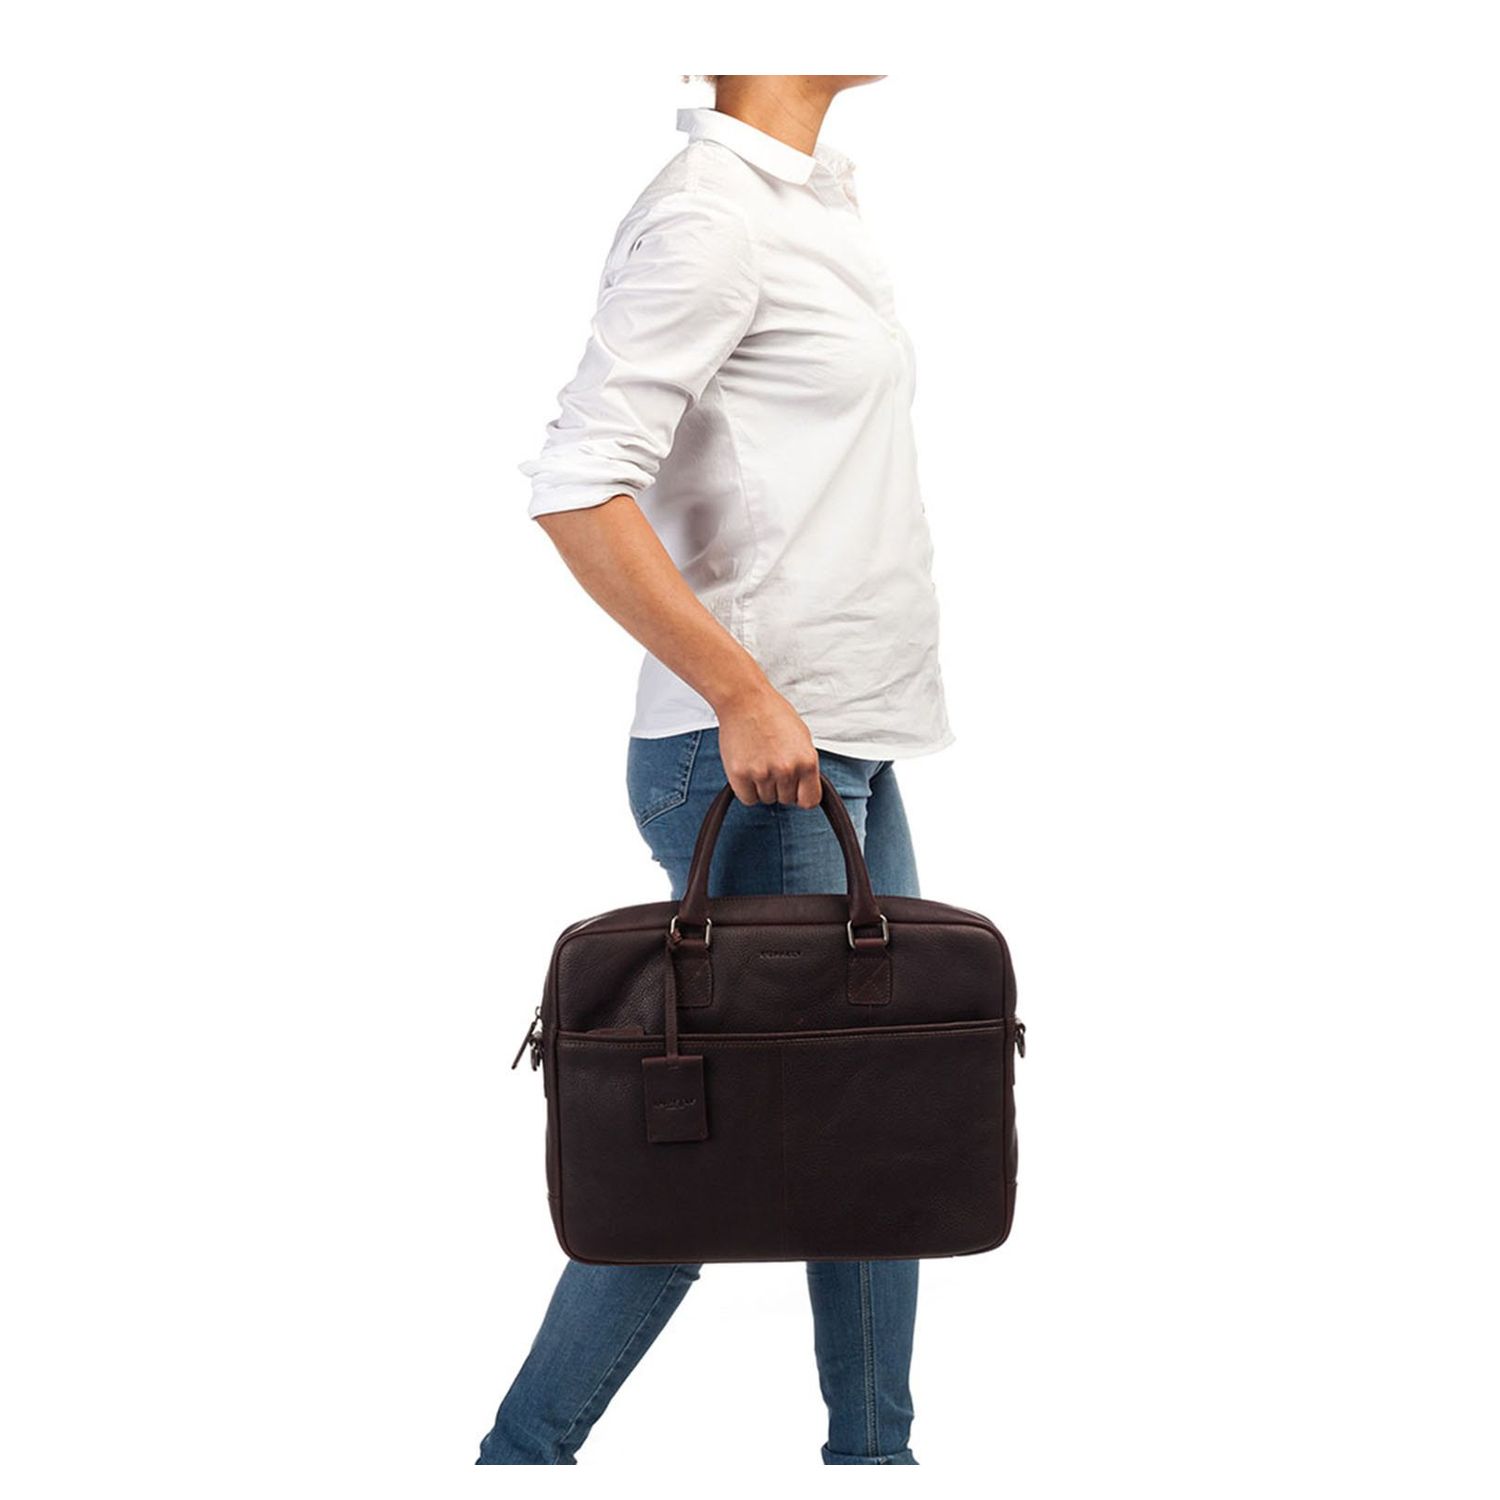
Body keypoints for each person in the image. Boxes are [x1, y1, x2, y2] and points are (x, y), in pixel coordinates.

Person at [479, 74, 954, 1466]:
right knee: (717, 1157)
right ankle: (518, 1460)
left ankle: (876, 1460)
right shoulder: (712, 215)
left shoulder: (814, 203)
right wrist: (742, 692)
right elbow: (579, 480)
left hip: (846, 742)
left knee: (877, 1131)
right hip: (755, 758)